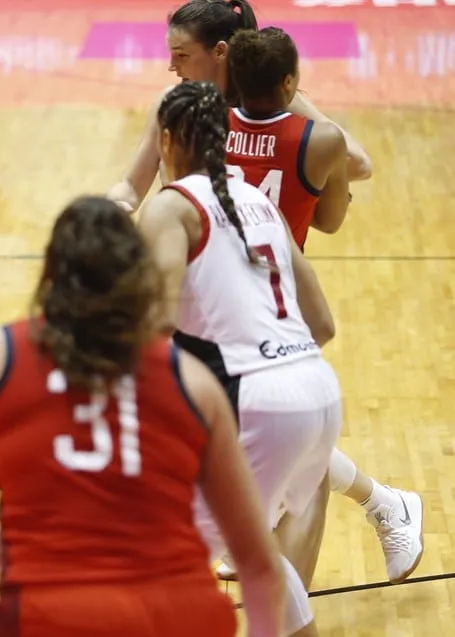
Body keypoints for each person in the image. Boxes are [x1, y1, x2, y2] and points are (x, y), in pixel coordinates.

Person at [0, 195, 285, 637]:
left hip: (50, 616)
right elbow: (260, 565)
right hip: (180, 614)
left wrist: (45, 556)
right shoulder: (192, 383)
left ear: (51, 277)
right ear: (139, 281)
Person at [221, 26, 424, 585]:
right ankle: (379, 504)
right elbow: (331, 221)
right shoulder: (322, 138)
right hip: (276, 293)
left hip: (233, 296)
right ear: (290, 82)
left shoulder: (208, 125)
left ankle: (381, 503)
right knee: (261, 430)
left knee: (263, 430)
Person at [138, 80, 341, 637]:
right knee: (256, 555)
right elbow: (322, 322)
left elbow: (155, 323)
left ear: (168, 140)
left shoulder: (171, 207)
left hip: (259, 403)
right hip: (318, 391)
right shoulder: (258, 201)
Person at [106, 0, 372, 217]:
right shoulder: (172, 103)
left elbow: (359, 163)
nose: (171, 66)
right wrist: (108, 214)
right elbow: (131, 187)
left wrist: (298, 184)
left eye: (182, 55)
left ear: (220, 51)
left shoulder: (276, 100)